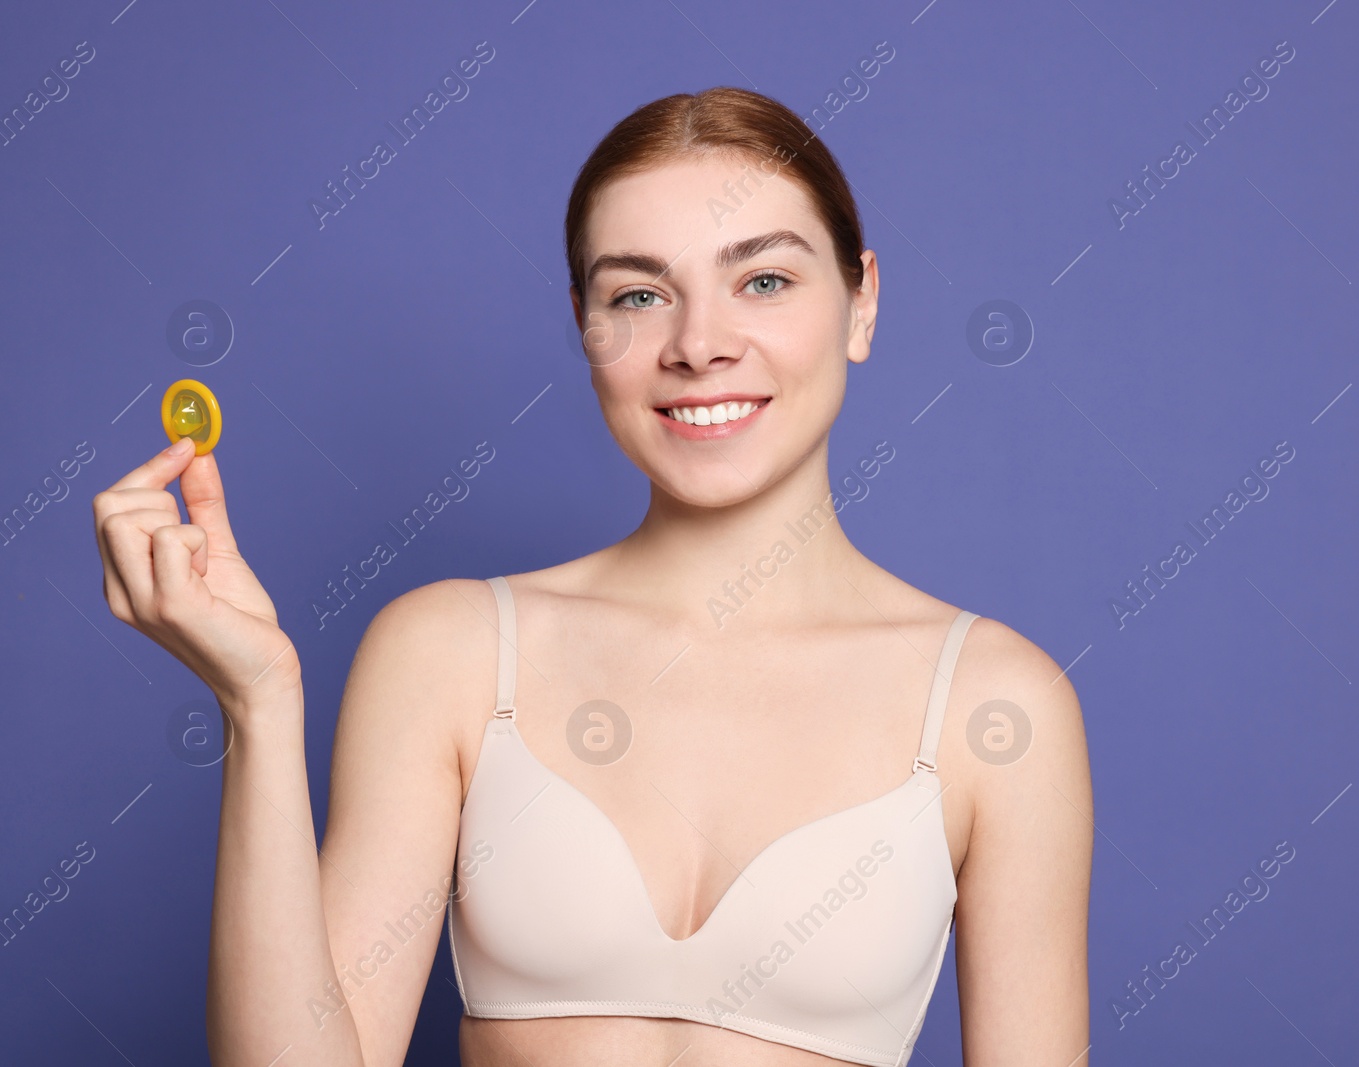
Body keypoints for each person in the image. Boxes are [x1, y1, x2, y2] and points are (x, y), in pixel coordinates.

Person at [92, 86, 1092, 1066]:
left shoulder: (995, 706)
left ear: (860, 303)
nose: (699, 344)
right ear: (586, 327)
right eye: (640, 295)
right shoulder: (449, 651)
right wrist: (256, 702)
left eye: (764, 280)